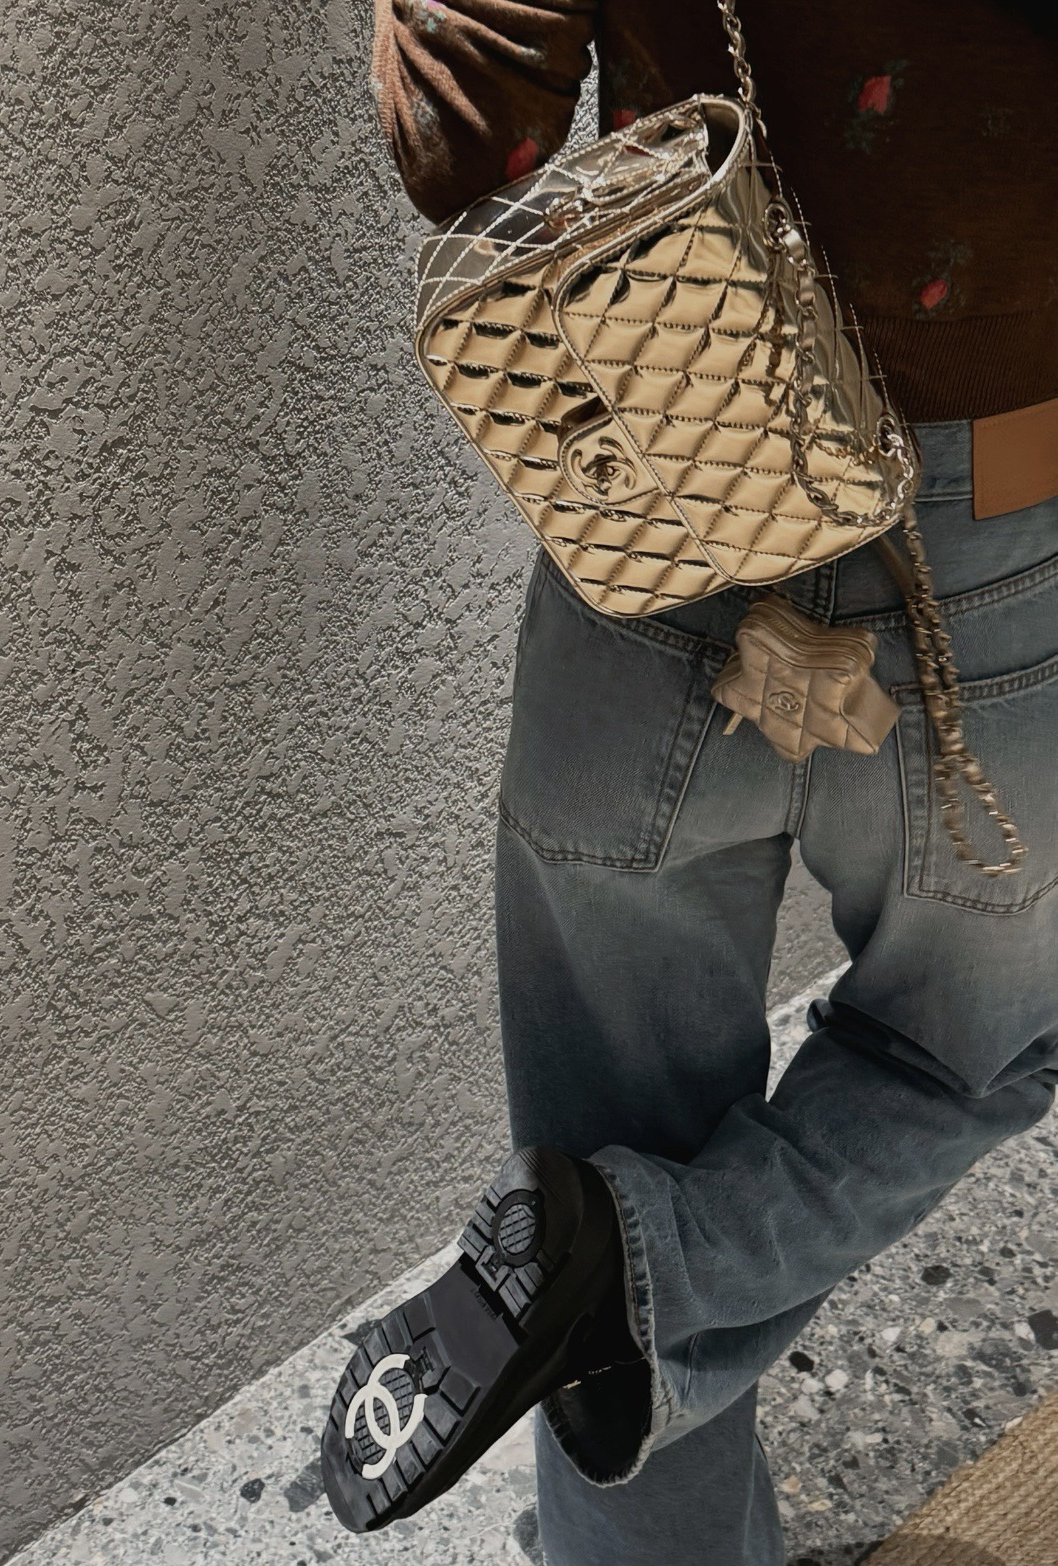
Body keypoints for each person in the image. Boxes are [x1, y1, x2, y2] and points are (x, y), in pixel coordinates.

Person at [321, 3, 1058, 1562]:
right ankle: (637, 1265)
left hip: (662, 480)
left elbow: (474, 143)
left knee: (607, 1128)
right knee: (978, 1048)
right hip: (1003, 513)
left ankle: (601, 1272)